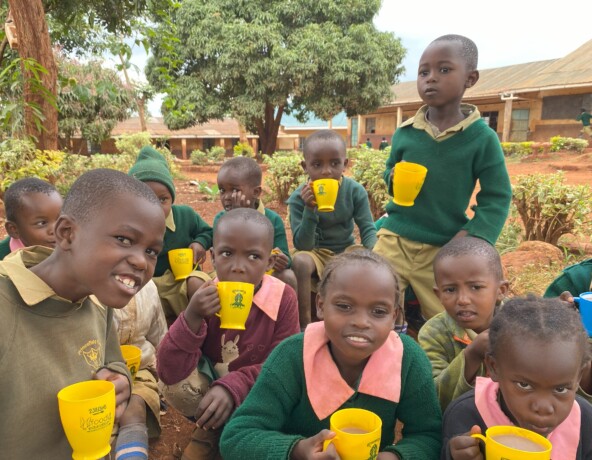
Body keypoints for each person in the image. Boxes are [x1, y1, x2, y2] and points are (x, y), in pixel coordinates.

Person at [0, 168, 166, 459]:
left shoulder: (97, 302)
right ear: (67, 233)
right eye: (124, 239)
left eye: (151, 251)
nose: (141, 261)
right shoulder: (6, 307)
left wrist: (119, 380)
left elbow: (112, 360)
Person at [219, 249, 442, 459]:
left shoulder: (407, 359)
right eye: (344, 306)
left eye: (378, 312)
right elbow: (237, 436)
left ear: (394, 317)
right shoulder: (292, 356)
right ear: (321, 305)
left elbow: (428, 435)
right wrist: (296, 450)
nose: (361, 322)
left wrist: (393, 456)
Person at [373, 34, 512, 326]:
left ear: (470, 78)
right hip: (394, 236)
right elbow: (389, 173)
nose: (431, 79)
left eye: (444, 70)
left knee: (447, 319)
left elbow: (497, 195)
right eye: (424, 72)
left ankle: (450, 364)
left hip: (443, 245)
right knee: (376, 296)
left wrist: (473, 236)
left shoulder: (481, 139)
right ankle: (385, 355)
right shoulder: (406, 132)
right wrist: (393, 177)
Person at [157, 208, 299, 460]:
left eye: (253, 256)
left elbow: (285, 365)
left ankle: (246, 433)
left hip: (262, 393)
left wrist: (233, 386)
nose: (238, 267)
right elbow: (169, 369)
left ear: (268, 262)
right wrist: (192, 315)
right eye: (226, 253)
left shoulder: (283, 298)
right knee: (175, 386)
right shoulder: (205, 297)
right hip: (213, 390)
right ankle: (212, 426)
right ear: (212, 257)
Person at [442, 295, 592, 460]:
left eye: (560, 389)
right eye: (524, 385)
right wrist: (453, 455)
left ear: (578, 377)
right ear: (494, 367)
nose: (543, 407)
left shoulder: (584, 420)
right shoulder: (467, 417)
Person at [287, 129, 377, 329]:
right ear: (305, 166)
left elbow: (367, 228)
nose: (326, 171)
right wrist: (310, 210)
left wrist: (376, 252)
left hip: (346, 249)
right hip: (316, 252)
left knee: (374, 258)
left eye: (335, 163)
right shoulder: (298, 198)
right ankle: (304, 326)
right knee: (300, 261)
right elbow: (303, 244)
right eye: (317, 165)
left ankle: (365, 319)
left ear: (345, 164)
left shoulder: (355, 191)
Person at [418, 237, 509, 412]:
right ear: (438, 295)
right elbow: (433, 398)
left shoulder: (521, 322)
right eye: (450, 290)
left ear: (500, 291)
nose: (463, 300)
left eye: (475, 287)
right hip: (463, 423)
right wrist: (472, 354)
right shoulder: (433, 333)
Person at [129, 145, 213, 322]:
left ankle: (202, 327)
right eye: (145, 198)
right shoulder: (127, 226)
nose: (155, 207)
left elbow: (208, 231)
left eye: (162, 199)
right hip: (145, 286)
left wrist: (200, 243)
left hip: (180, 283)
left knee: (199, 284)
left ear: (172, 199)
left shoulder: (185, 216)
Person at [214, 156, 297, 292]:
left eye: (235, 190)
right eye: (222, 190)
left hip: (263, 274)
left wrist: (283, 261)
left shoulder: (273, 219)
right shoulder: (221, 220)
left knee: (288, 276)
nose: (227, 196)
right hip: (231, 273)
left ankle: (290, 313)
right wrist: (235, 218)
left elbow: (286, 259)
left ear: (256, 192)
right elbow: (220, 258)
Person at [113, 279, 168, 460]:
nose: (138, 261)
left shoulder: (149, 287)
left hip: (140, 371)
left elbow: (160, 336)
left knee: (133, 410)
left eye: (150, 252)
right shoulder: (89, 291)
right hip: (95, 377)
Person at [0, 177, 62, 259]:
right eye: (42, 223)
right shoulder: (3, 261)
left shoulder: (73, 248)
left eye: (60, 219)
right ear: (14, 230)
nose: (56, 229)